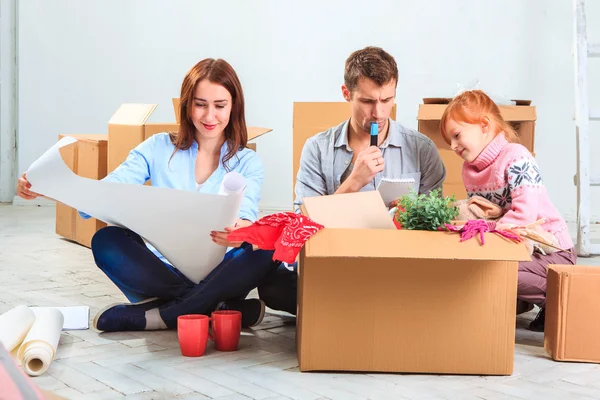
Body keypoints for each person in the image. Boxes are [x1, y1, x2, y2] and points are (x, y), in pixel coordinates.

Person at [16, 58, 281, 332]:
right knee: (107, 240)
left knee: (269, 248)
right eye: (200, 104)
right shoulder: (157, 147)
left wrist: (243, 230)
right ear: (187, 106)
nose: (209, 116)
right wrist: (47, 188)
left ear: (233, 107)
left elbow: (246, 213)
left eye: (220, 105)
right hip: (161, 272)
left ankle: (166, 314)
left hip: (221, 271)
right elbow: (108, 191)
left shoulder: (247, 161)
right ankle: (215, 307)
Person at [257, 46, 446, 316]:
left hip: (398, 261)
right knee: (273, 286)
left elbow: (435, 222)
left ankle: (345, 307)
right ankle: (369, 306)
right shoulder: (317, 148)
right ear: (347, 94)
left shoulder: (421, 149)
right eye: (367, 101)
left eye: (387, 100)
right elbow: (303, 223)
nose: (379, 114)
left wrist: (405, 213)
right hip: (336, 259)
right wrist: (353, 183)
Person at [439, 89, 576, 332]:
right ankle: (524, 299)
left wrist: (490, 229)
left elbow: (523, 216)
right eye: (450, 140)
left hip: (551, 250)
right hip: (515, 247)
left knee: (497, 271)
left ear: (483, 125)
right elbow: (478, 214)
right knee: (478, 265)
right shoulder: (469, 169)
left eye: (457, 135)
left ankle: (566, 299)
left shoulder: (516, 157)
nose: (453, 146)